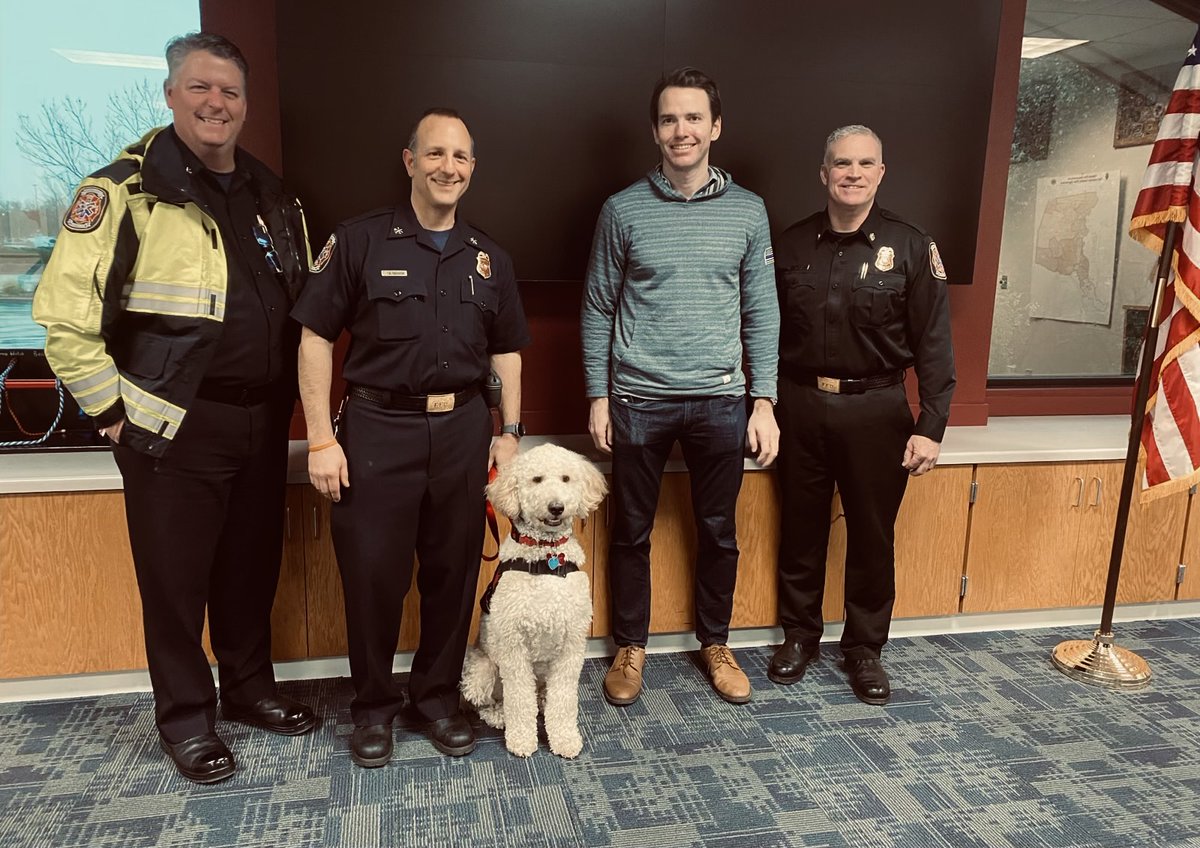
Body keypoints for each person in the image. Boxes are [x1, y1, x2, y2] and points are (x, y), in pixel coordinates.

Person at [32, 33, 318, 783]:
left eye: (229, 91)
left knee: (251, 570)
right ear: (169, 94)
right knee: (175, 580)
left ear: (246, 105)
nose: (215, 103)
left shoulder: (271, 193)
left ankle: (250, 690)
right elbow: (65, 320)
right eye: (199, 87)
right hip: (170, 426)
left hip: (261, 419)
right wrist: (112, 413)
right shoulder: (123, 191)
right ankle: (187, 719)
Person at [293, 108, 529, 767]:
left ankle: (435, 702)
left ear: (472, 169)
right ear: (409, 161)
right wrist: (319, 439)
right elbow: (314, 337)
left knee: (453, 578)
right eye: (434, 154)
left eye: (459, 157)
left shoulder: (490, 258)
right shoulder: (360, 241)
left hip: (461, 431)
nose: (447, 167)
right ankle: (373, 709)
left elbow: (507, 351)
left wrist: (509, 433)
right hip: (376, 429)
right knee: (373, 579)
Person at [580, 67, 780, 706]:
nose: (681, 130)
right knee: (630, 530)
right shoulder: (622, 210)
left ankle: (714, 642)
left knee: (719, 529)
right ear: (655, 131)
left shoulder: (749, 212)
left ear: (715, 127)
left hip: (722, 400)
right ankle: (629, 648)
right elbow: (596, 307)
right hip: (638, 399)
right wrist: (599, 395)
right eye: (669, 119)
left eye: (694, 118)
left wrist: (765, 401)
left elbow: (762, 311)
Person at [770, 125, 956, 705]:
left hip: (878, 409)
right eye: (841, 163)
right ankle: (799, 638)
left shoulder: (909, 246)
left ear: (881, 173)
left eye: (865, 163)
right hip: (798, 405)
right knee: (799, 532)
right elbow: (763, 330)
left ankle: (864, 650)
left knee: (872, 538)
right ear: (823, 173)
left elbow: (934, 345)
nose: (852, 173)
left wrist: (931, 427)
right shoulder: (791, 244)